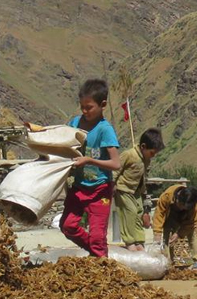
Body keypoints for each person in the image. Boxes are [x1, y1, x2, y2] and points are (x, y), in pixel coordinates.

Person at [59, 79, 121, 257]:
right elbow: (62, 140)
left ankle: (101, 262)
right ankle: (97, 253)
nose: (85, 112)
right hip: (79, 188)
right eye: (82, 107)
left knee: (97, 236)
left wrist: (89, 161)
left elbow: (116, 164)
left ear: (103, 105)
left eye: (89, 107)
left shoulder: (105, 130)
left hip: (100, 190)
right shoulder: (75, 123)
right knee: (68, 226)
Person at [114, 128, 164, 251]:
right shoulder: (129, 155)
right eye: (152, 152)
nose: (153, 156)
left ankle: (139, 241)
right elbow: (116, 170)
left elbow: (143, 177)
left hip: (137, 192)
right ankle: (129, 241)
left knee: (139, 214)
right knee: (129, 213)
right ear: (143, 146)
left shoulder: (147, 160)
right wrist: (112, 185)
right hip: (124, 189)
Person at [151, 184, 197, 261]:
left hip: (185, 218)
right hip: (170, 214)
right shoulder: (167, 196)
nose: (182, 208)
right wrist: (157, 232)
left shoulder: (194, 207)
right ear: (178, 198)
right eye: (181, 205)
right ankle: (167, 261)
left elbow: (190, 223)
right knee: (166, 237)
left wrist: (179, 234)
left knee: (192, 235)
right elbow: (159, 214)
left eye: (185, 207)